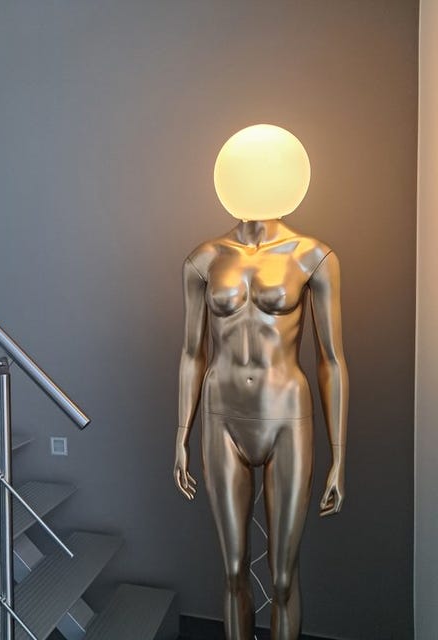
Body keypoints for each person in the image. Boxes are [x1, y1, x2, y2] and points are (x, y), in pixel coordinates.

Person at [174, 126, 348, 640]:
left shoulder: (313, 256)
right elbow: (191, 352)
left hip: (286, 417)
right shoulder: (204, 259)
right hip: (222, 417)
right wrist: (180, 435)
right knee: (232, 571)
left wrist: (340, 454)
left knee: (283, 576)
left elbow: (333, 359)